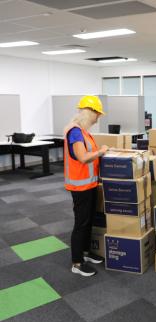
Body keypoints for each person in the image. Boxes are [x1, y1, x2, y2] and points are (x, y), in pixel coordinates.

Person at [63, 95, 108, 277]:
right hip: (79, 187)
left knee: (89, 220)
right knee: (81, 224)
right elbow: (82, 157)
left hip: (89, 184)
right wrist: (101, 152)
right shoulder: (75, 132)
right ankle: (77, 262)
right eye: (97, 114)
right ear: (90, 113)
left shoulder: (83, 132)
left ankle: (86, 253)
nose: (98, 118)